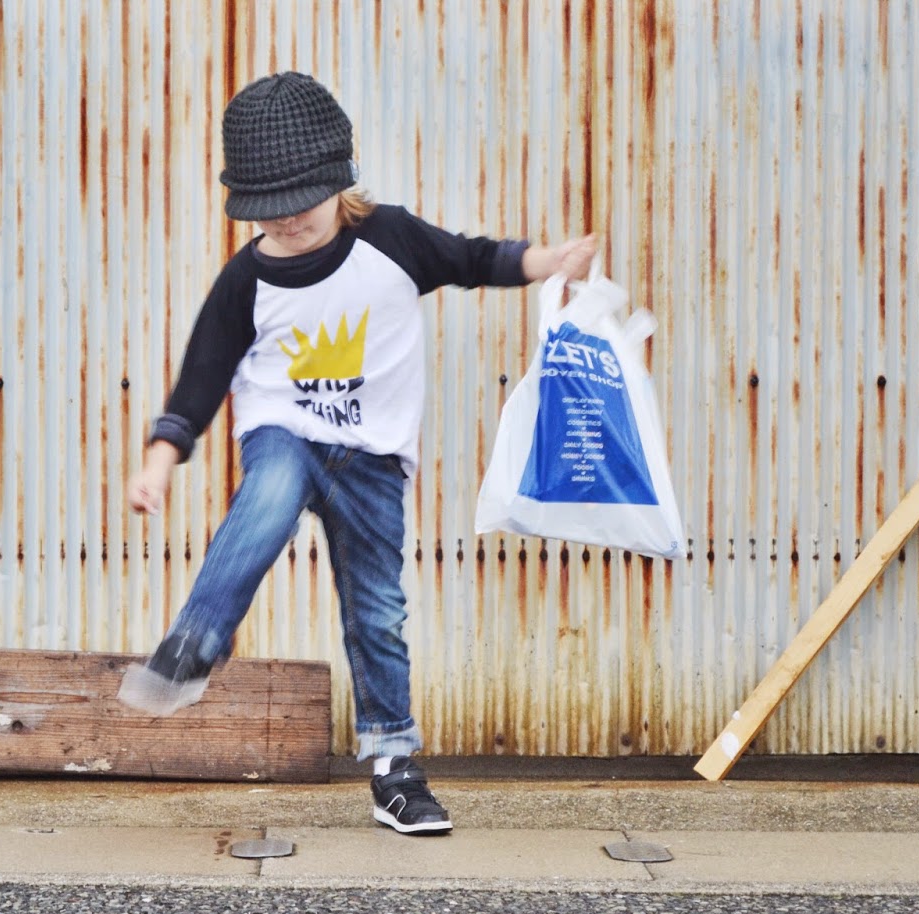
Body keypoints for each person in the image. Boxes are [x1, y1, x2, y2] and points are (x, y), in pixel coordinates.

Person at [118, 71, 597, 835]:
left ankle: (394, 769)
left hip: (373, 458)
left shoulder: (392, 239)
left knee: (377, 612)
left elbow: (473, 259)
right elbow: (202, 375)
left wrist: (548, 261)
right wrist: (158, 460)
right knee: (266, 500)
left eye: (302, 204)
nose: (287, 221)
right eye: (268, 210)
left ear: (339, 181)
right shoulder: (247, 279)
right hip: (286, 432)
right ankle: (195, 641)